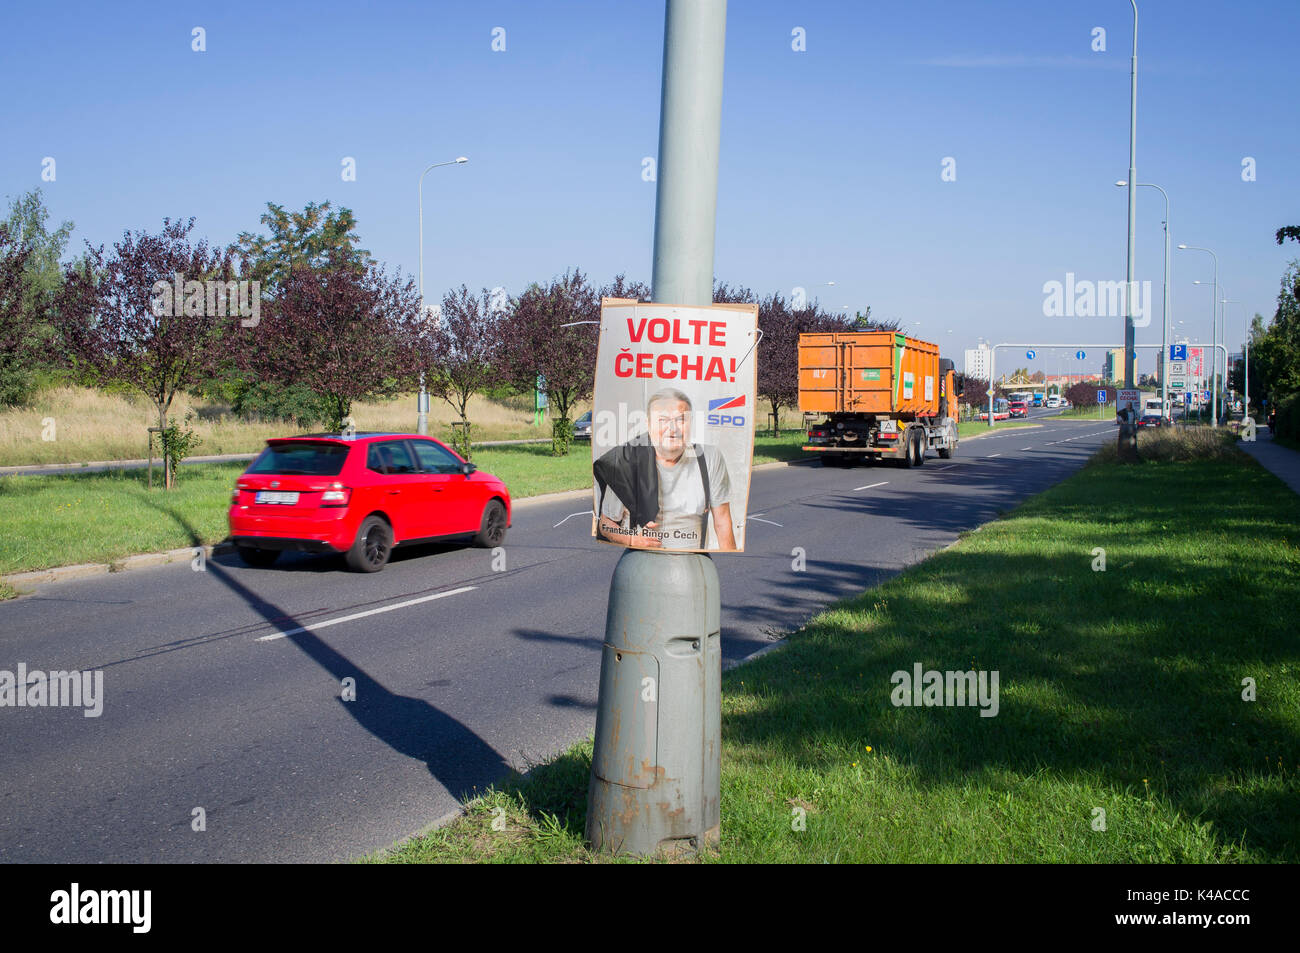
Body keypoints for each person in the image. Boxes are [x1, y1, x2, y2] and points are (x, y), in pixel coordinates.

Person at [594, 387, 736, 551]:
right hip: (642, 560)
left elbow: (722, 519)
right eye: (662, 420)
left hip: (693, 563)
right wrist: (633, 541)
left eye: (681, 420)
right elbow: (605, 524)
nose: (672, 428)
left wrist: (732, 561)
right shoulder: (626, 462)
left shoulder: (709, 457)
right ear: (648, 424)